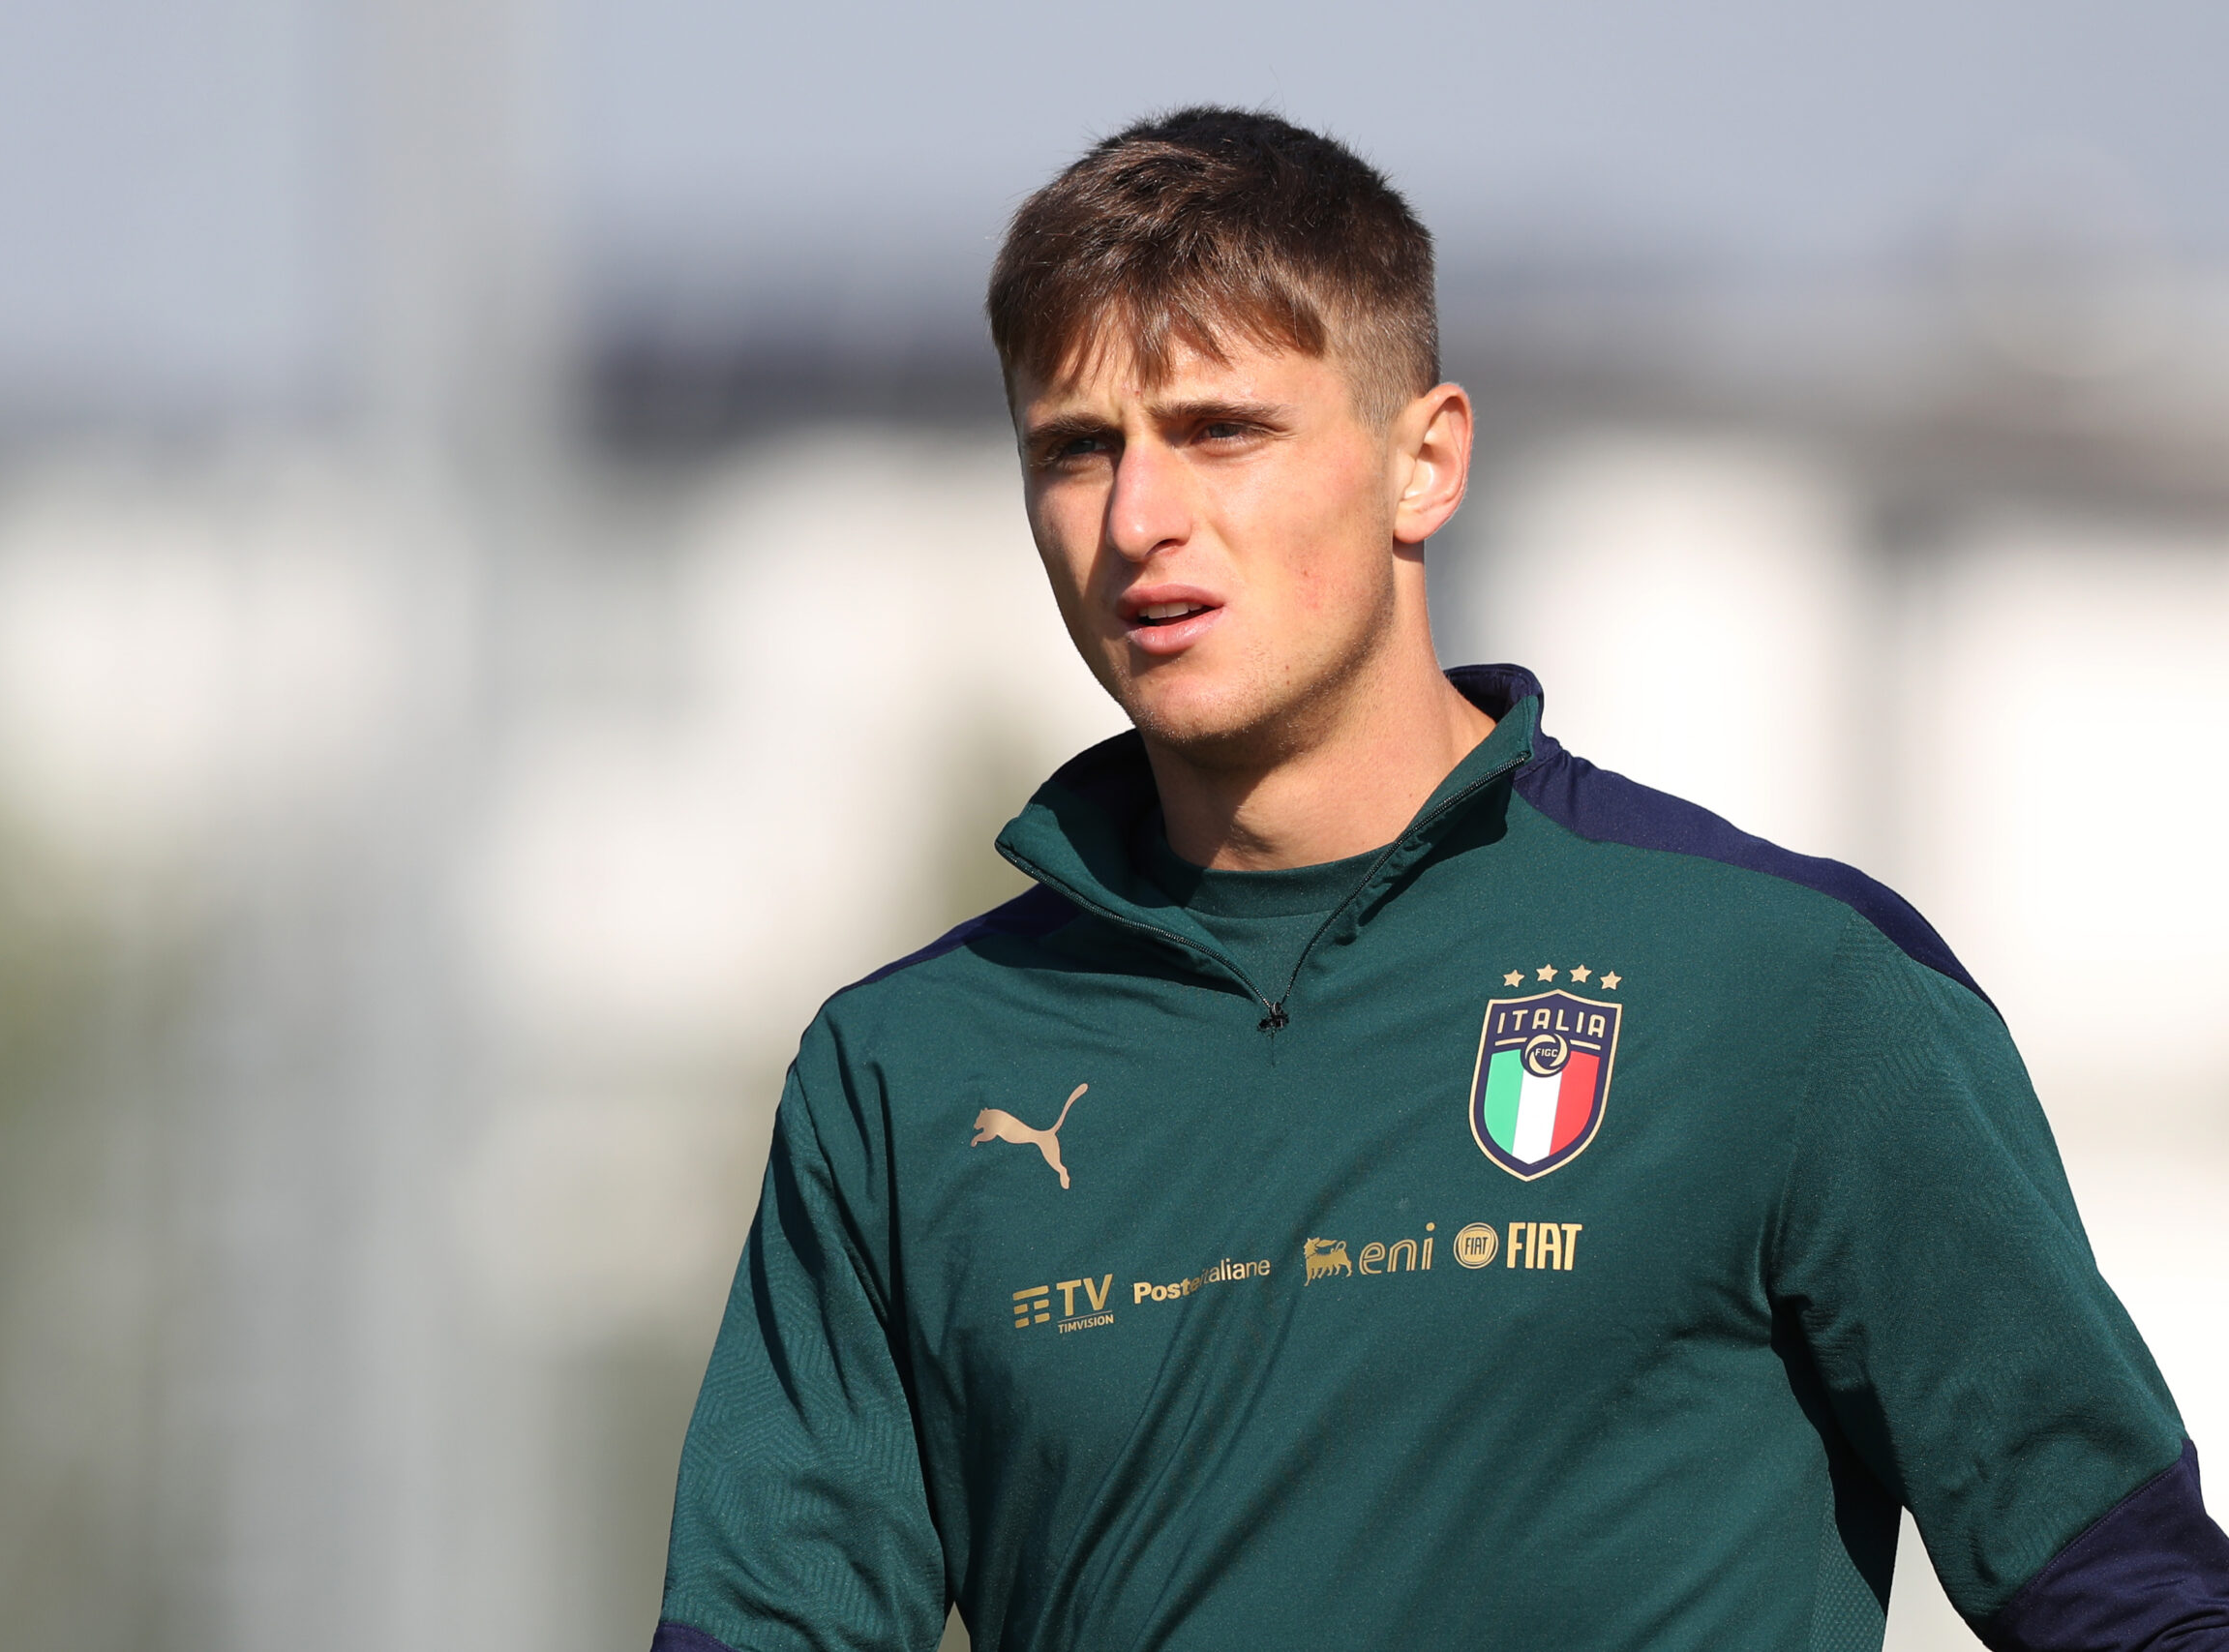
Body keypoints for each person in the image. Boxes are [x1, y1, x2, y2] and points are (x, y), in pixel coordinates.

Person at [649, 108, 2229, 1651]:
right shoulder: (906, 1070)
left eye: (1221, 430)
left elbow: (2129, 1594)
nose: (1140, 520)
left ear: (1425, 462)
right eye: (1076, 449)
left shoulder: (1790, 985)